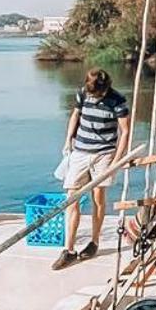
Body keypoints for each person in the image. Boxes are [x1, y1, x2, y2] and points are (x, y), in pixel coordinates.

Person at [53, 67, 129, 270]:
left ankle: (94, 242)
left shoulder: (118, 101)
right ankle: (68, 249)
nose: (95, 96)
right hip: (80, 152)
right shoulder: (83, 93)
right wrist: (68, 139)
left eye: (99, 94)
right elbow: (75, 115)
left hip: (103, 154)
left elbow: (125, 131)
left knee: (98, 198)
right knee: (72, 199)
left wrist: (116, 161)